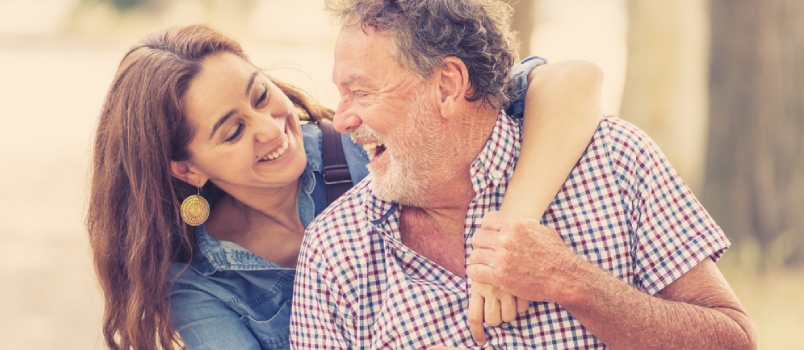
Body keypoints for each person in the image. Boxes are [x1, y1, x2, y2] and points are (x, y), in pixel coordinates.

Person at [86, 24, 603, 349]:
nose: (269, 128)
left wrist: (509, 230)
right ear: (186, 169)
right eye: (233, 130)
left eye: (260, 95)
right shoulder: (198, 283)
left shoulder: (367, 144)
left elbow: (572, 80)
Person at [290, 0, 758, 349]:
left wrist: (571, 281)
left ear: (448, 86)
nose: (344, 118)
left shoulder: (614, 160)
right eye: (341, 93)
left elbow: (734, 341)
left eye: (361, 92)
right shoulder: (335, 248)